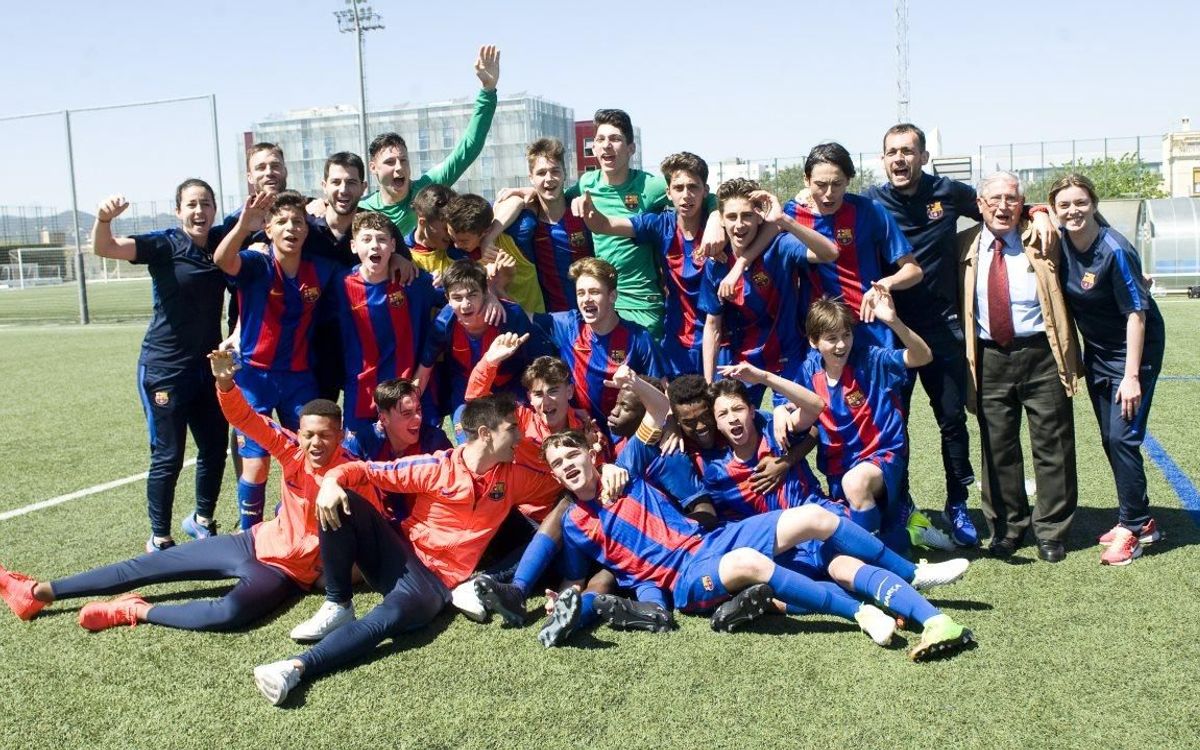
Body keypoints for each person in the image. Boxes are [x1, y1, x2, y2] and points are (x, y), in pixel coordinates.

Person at [0, 349, 378, 635]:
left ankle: (134, 609)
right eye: (308, 434)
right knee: (150, 565)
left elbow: (373, 535)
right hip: (252, 542)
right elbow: (246, 419)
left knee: (228, 615)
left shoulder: (355, 475)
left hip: (285, 574)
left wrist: (337, 574)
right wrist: (226, 385)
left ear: (340, 435)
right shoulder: (290, 448)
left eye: (324, 435)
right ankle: (36, 592)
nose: (314, 443)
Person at [537, 430, 974, 661]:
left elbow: (656, 412)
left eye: (572, 455)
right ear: (555, 477)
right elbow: (576, 577)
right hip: (684, 579)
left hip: (710, 539)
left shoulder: (625, 469)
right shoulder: (573, 523)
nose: (567, 465)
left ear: (590, 454)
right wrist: (565, 601)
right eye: (558, 464)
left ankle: (911, 573)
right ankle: (859, 613)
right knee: (749, 562)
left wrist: (617, 458)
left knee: (816, 517)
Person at [249, 394, 568, 706]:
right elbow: (367, 470)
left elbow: (562, 482)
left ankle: (295, 667)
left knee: (384, 621)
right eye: (512, 428)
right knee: (344, 501)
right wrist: (331, 482)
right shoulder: (437, 467)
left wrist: (592, 461)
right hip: (399, 554)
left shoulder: (512, 478)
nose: (519, 436)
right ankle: (338, 603)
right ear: (485, 434)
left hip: (434, 584)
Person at [867, 124, 1058, 548]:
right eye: (892, 152)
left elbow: (998, 207)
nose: (900, 159)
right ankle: (903, 505)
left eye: (908, 151)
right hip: (891, 331)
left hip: (943, 326)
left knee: (952, 419)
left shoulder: (948, 193)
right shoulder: (871, 201)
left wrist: (1040, 210)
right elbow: (821, 207)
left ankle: (957, 503)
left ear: (923, 157)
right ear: (883, 159)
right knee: (893, 423)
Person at [89, 181, 230, 551]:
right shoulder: (165, 244)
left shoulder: (220, 241)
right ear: (178, 210)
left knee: (215, 446)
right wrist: (103, 219)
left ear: (214, 209)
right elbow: (105, 247)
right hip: (164, 369)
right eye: (191, 204)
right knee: (168, 455)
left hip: (206, 368)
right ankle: (159, 537)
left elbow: (256, 220)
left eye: (206, 204)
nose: (199, 211)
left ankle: (202, 520)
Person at [959, 172, 1082, 562]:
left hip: (1042, 354)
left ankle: (1052, 531)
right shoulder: (963, 244)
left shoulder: (1043, 236)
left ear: (1022, 204)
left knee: (1054, 445)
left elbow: (1085, 220)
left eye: (1012, 199)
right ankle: (1007, 529)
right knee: (997, 448)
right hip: (988, 357)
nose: (1003, 207)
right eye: (994, 199)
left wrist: (1041, 211)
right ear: (979, 205)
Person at [1049, 173, 1167, 565]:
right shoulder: (1061, 240)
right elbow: (1032, 213)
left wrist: (1132, 376)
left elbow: (1137, 314)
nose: (1073, 211)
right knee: (1109, 437)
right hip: (1097, 353)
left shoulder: (1114, 249)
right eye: (1064, 204)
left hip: (1134, 353)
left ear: (1094, 204)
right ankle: (1140, 518)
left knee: (1122, 437)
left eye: (1080, 202)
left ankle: (1133, 529)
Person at [215, 190, 339, 529]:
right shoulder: (257, 263)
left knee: (308, 456)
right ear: (268, 229)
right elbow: (223, 259)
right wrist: (243, 226)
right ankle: (250, 534)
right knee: (256, 466)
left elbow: (358, 275)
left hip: (299, 379)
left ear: (307, 229)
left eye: (297, 221)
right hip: (254, 378)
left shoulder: (320, 270)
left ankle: (298, 524)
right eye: (281, 221)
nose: (291, 227)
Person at [797, 295, 931, 553]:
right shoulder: (809, 369)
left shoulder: (870, 360)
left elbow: (922, 356)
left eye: (846, 335)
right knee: (842, 533)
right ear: (814, 341)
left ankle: (872, 566)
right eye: (831, 338)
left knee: (855, 484)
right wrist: (783, 411)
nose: (841, 345)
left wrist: (894, 321)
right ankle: (909, 534)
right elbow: (791, 404)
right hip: (838, 468)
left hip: (882, 455)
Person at [699, 179, 837, 404]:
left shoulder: (780, 246)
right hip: (743, 362)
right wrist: (708, 384)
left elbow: (830, 253)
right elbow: (712, 326)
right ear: (721, 220)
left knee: (793, 422)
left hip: (787, 356)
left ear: (759, 217)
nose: (739, 224)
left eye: (747, 215)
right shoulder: (716, 263)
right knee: (731, 419)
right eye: (732, 217)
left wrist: (784, 220)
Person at [784, 142, 922, 348]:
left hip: (869, 328)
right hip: (820, 336)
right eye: (820, 184)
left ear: (848, 180)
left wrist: (886, 283)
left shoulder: (870, 211)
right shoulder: (791, 214)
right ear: (806, 180)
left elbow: (913, 270)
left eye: (837, 184)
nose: (829, 193)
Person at [358, 46, 500, 237]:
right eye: (390, 162)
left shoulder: (425, 191)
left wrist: (488, 91)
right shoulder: (362, 209)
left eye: (403, 160)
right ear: (373, 167)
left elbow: (468, 148)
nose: (399, 167)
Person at [331, 212, 444, 435]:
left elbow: (456, 298)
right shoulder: (340, 284)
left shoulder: (413, 281)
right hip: (363, 393)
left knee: (422, 452)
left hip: (410, 388)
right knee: (359, 454)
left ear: (393, 245)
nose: (375, 245)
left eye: (382, 239)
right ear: (353, 246)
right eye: (366, 239)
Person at [534, 257, 666, 439]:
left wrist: (671, 426)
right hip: (582, 433)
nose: (586, 299)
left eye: (594, 292)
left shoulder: (638, 338)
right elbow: (522, 316)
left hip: (627, 435)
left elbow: (661, 389)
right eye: (581, 293)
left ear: (612, 296)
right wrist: (496, 292)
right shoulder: (569, 326)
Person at [415, 260, 551, 418]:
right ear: (448, 298)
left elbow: (538, 363)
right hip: (466, 386)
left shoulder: (511, 316)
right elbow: (423, 373)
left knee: (520, 429)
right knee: (466, 432)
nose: (465, 304)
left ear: (485, 293)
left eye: (472, 295)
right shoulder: (443, 323)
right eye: (457, 298)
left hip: (510, 384)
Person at [501, 138, 594, 313]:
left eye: (555, 171)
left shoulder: (582, 214)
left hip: (589, 314)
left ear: (565, 173)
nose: (549, 179)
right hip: (550, 319)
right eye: (541, 173)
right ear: (531, 178)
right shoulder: (526, 223)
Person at [443, 193, 545, 314]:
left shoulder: (517, 235)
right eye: (452, 237)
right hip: (491, 320)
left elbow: (516, 201)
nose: (456, 245)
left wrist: (489, 239)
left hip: (534, 315)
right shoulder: (455, 254)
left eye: (464, 241)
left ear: (485, 232)